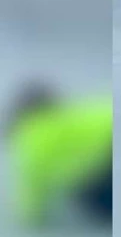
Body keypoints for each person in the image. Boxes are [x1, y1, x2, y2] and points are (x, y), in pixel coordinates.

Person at [5, 80, 112, 228]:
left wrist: (32, 218)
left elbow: (35, 188)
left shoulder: (31, 141)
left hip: (106, 164)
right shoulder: (77, 109)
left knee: (83, 193)